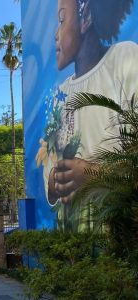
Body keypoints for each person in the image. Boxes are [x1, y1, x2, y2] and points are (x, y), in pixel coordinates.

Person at [36, 0, 138, 230]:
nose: (55, 34)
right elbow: (49, 161)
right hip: (74, 231)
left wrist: (93, 175)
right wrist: (56, 180)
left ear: (87, 17)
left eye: (62, 20)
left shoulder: (124, 59)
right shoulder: (61, 93)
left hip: (119, 225)